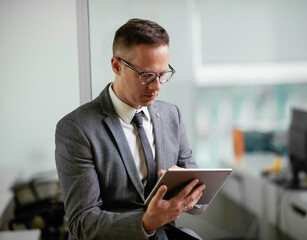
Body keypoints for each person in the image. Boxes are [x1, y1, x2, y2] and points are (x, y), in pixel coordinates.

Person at [55, 18, 206, 240]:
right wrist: (147, 222)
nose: (156, 87)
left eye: (163, 75)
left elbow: (199, 200)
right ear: (116, 66)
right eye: (146, 75)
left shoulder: (171, 115)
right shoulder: (77, 129)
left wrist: (190, 194)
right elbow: (82, 223)